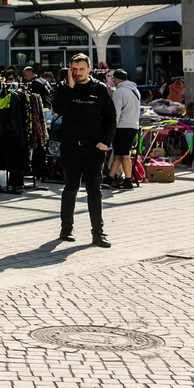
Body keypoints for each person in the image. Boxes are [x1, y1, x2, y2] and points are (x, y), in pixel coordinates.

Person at [52, 53, 116, 248]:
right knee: (70, 188)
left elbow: (111, 118)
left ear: (89, 69)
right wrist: (70, 87)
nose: (77, 73)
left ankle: (98, 233)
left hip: (94, 148)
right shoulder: (64, 88)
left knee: (94, 191)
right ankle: (66, 229)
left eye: (81, 69)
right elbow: (58, 109)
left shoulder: (100, 89)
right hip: (70, 146)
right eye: (74, 69)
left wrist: (105, 142)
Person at [108, 69, 141, 190]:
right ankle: (109, 178)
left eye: (113, 79)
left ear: (116, 79)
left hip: (122, 126)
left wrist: (111, 128)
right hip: (133, 126)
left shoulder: (119, 92)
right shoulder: (135, 90)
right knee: (119, 154)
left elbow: (115, 112)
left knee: (124, 155)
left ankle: (128, 180)